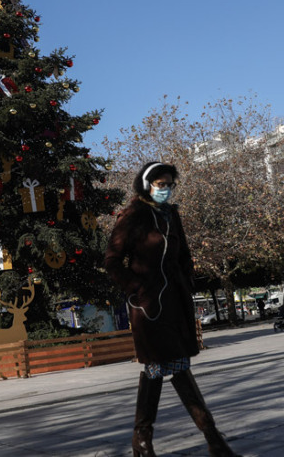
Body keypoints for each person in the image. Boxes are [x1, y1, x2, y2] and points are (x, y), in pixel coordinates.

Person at [105, 161, 239, 457]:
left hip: (176, 304)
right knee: (155, 369)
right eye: (160, 184)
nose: (165, 190)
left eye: (169, 184)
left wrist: (186, 281)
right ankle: (144, 440)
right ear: (146, 185)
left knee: (180, 368)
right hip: (148, 307)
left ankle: (213, 438)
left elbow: (184, 254)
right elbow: (112, 260)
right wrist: (137, 289)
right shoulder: (133, 216)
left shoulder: (171, 215)